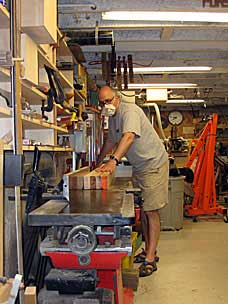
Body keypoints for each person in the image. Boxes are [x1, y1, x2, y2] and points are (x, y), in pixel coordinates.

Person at [97, 86, 169, 277]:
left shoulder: (130, 111)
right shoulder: (113, 118)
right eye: (102, 102)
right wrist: (97, 161)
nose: (106, 105)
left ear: (117, 98)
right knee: (145, 209)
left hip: (153, 163)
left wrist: (113, 161)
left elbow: (128, 137)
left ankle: (151, 259)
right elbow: (111, 142)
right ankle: (148, 249)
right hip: (140, 166)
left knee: (152, 210)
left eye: (108, 100)